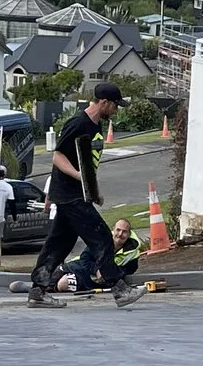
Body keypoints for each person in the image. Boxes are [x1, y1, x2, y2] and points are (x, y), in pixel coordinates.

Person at [27, 82, 142, 309]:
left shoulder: (96, 127)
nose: (116, 110)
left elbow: (88, 163)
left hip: (75, 194)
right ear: (104, 103)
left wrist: (94, 190)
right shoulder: (78, 124)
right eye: (115, 106)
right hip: (71, 195)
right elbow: (58, 157)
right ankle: (120, 289)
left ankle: (37, 292)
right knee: (102, 237)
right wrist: (78, 178)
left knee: (58, 245)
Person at [69, 217, 146, 294]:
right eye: (118, 230)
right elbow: (84, 258)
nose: (120, 234)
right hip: (77, 268)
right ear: (113, 229)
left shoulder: (132, 254)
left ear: (129, 234)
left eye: (124, 231)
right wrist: (96, 270)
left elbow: (126, 272)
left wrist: (106, 273)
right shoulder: (101, 241)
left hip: (96, 282)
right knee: (65, 282)